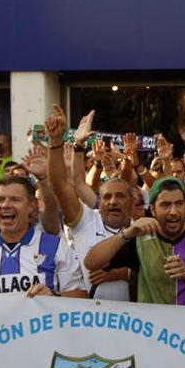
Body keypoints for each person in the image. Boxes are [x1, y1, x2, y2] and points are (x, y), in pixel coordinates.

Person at [45, 106, 136, 300]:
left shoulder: (143, 230)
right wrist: (58, 142)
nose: (113, 201)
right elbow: (60, 185)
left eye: (120, 196)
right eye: (106, 197)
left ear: (132, 200)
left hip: (137, 326)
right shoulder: (86, 220)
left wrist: (122, 274)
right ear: (99, 201)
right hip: (88, 323)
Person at [85, 176, 185, 306]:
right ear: (153, 210)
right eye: (165, 205)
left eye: (179, 204)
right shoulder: (140, 238)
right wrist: (126, 233)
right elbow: (91, 263)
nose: (173, 211)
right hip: (152, 327)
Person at [0, 176, 86, 297]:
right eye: (0, 200)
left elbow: (80, 296)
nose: (6, 205)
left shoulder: (55, 246)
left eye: (15, 200)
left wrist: (54, 297)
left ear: (32, 206)